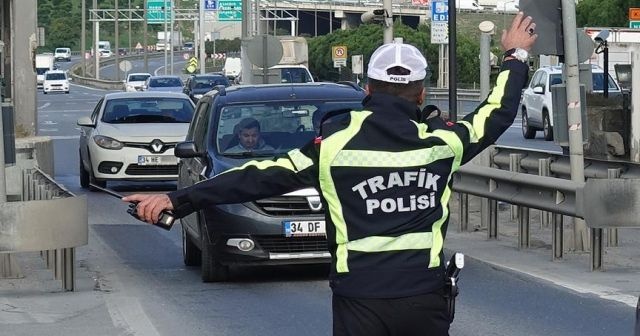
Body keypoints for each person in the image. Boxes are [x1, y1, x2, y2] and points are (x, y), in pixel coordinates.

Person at [123, 12, 536, 336]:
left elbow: (258, 176)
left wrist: (176, 200)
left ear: (368, 89)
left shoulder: (334, 146)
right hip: (422, 299)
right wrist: (514, 56)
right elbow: (495, 114)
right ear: (422, 93)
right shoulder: (443, 143)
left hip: (359, 301)